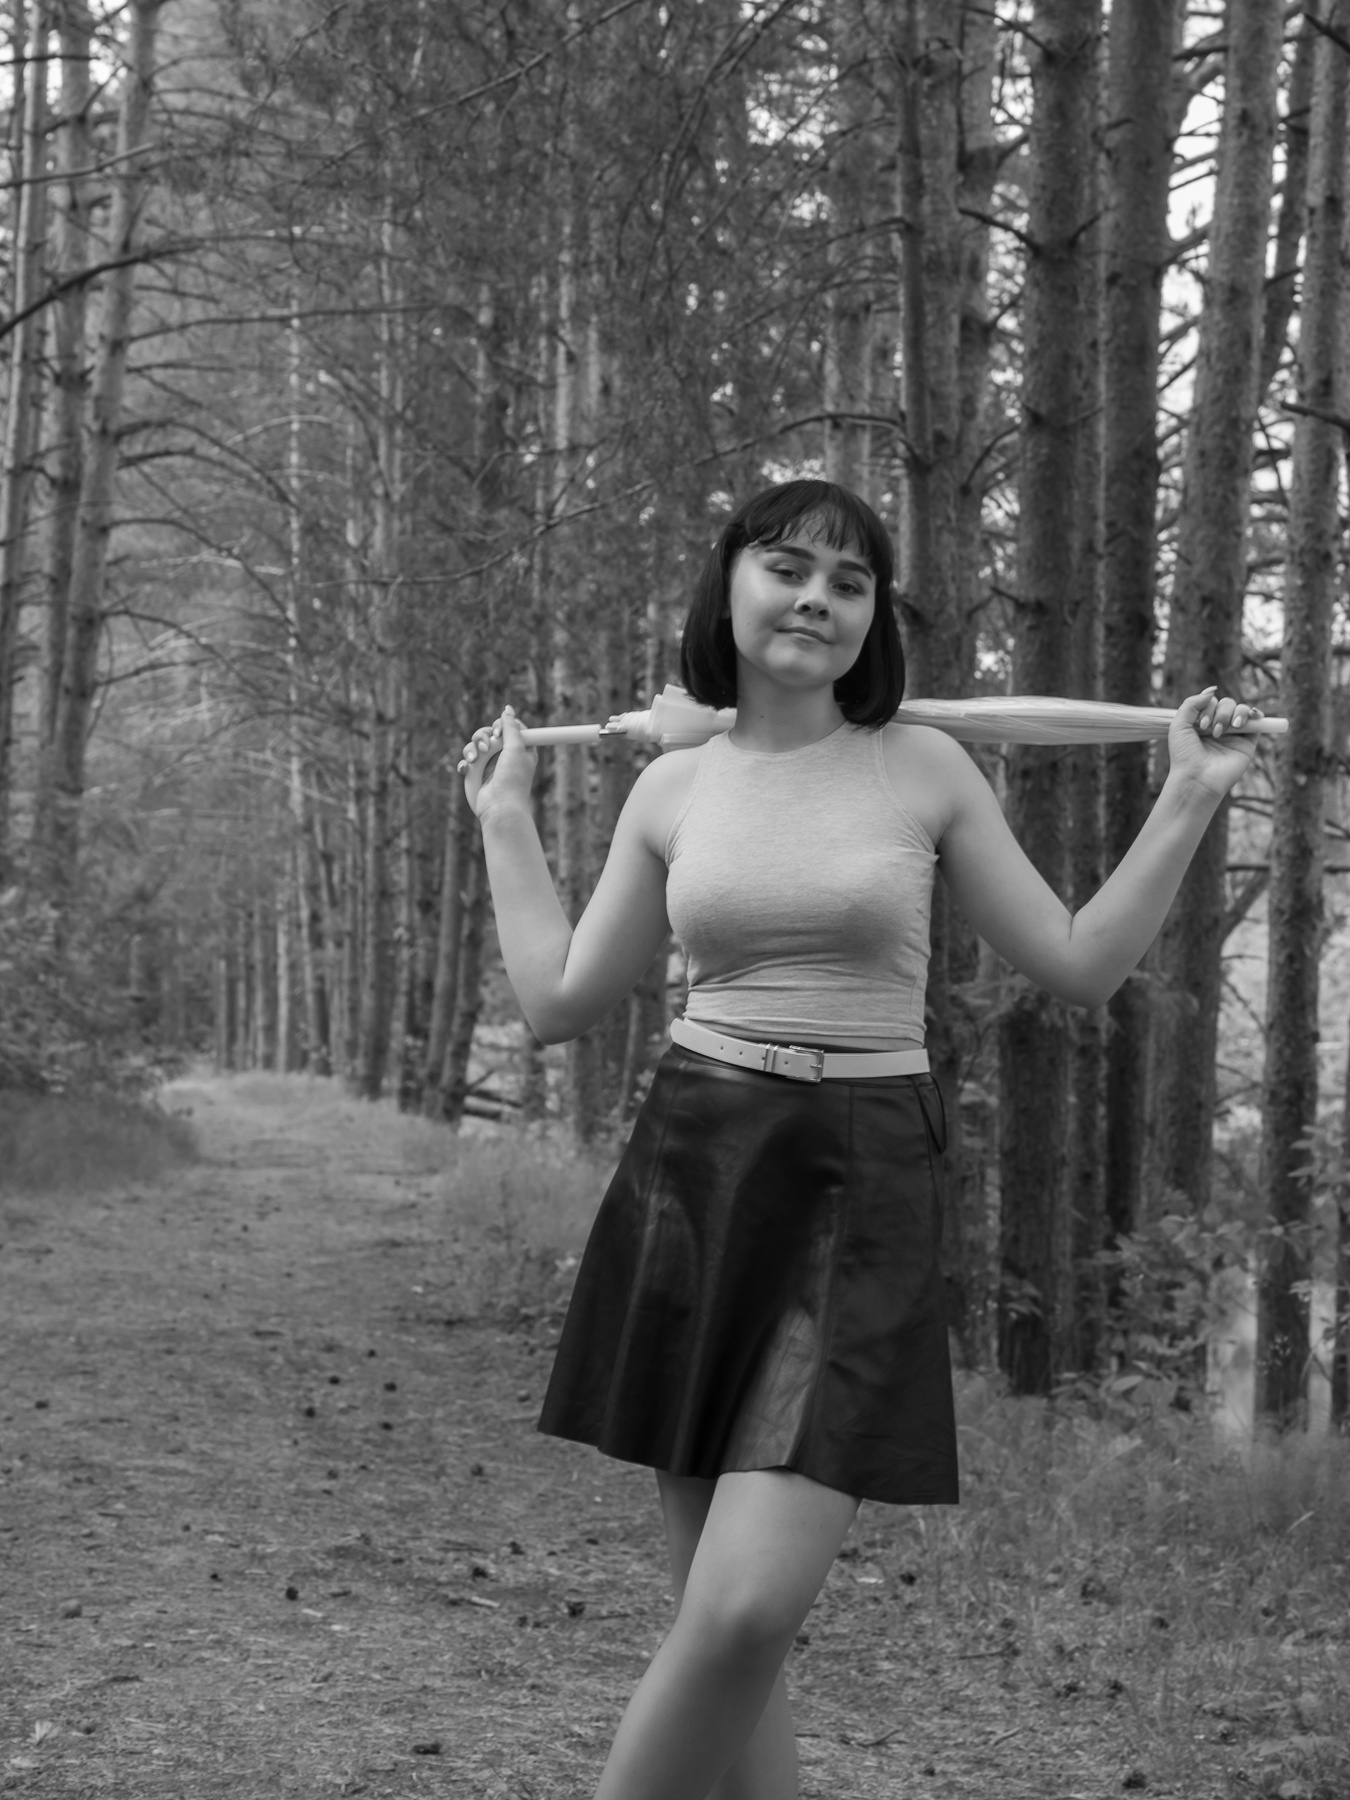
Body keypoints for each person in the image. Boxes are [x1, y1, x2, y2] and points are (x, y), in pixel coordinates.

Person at [457, 479, 1261, 1800]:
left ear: (872, 617)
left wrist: (1189, 794)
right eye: (787, 567)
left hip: (861, 1173)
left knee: (742, 1614)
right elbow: (556, 1000)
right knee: (725, 1635)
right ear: (729, 583)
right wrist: (503, 816)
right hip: (695, 1167)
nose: (815, 598)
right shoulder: (670, 785)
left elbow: (1076, 963)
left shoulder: (921, 767)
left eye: (848, 581)